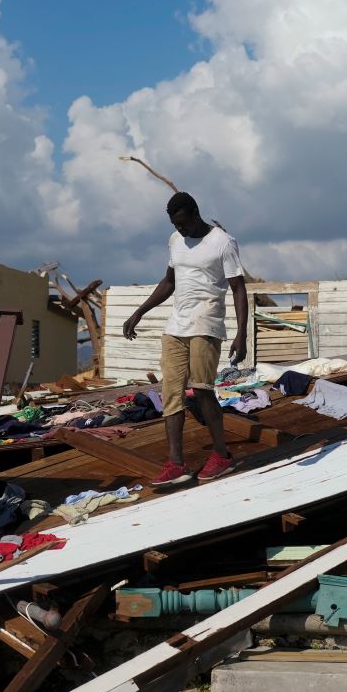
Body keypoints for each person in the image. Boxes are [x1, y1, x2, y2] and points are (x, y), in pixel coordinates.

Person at [122, 191, 247, 486]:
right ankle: (176, 464)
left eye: (184, 223)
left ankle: (222, 456)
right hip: (176, 327)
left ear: (195, 213)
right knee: (172, 393)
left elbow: (239, 289)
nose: (181, 230)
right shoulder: (175, 240)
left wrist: (241, 334)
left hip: (206, 324)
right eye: (176, 225)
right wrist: (139, 312)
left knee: (202, 390)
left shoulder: (222, 242)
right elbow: (169, 281)